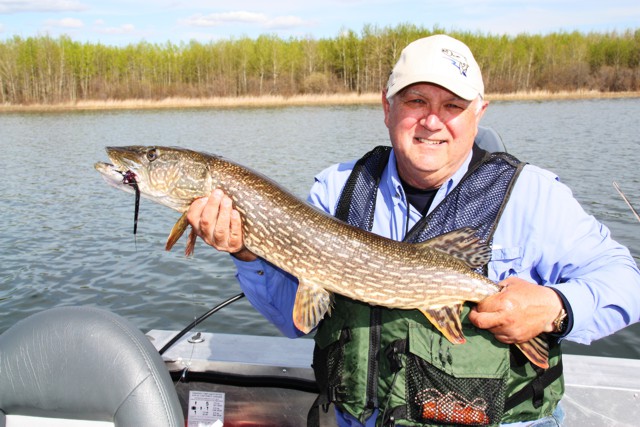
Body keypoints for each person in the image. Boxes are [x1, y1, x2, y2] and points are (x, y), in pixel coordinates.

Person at [186, 34, 640, 426]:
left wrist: (558, 307)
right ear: (387, 107)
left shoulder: (533, 196)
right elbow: (295, 319)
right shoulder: (338, 190)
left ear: (479, 113)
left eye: (453, 106)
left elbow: (627, 282)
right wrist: (247, 254)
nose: (432, 121)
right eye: (416, 101)